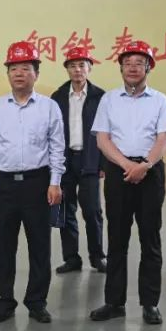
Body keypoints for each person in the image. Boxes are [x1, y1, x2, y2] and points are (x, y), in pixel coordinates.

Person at [89, 40, 166, 325]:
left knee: (150, 238)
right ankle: (114, 302)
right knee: (117, 239)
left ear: (149, 68)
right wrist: (127, 165)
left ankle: (150, 303)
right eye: (128, 63)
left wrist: (145, 165)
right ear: (121, 68)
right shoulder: (109, 100)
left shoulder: (160, 100)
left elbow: (163, 138)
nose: (133, 68)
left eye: (139, 63)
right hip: (119, 173)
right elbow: (103, 139)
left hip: (151, 173)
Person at [0, 41, 65, 324]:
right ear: (8, 74)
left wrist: (55, 182)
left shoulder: (49, 107)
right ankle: (5, 302)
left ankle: (37, 302)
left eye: (26, 68)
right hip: (4, 185)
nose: (19, 74)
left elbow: (57, 148)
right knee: (4, 246)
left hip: (38, 183)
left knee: (40, 246)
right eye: (14, 68)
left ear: (36, 74)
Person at [50, 46, 107, 274]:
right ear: (67, 69)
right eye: (72, 66)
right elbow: (51, 132)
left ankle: (97, 256)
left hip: (90, 159)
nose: (77, 70)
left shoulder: (100, 97)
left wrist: (103, 163)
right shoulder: (57, 97)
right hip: (64, 161)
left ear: (89, 68)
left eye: (82, 65)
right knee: (65, 210)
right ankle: (72, 258)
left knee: (92, 211)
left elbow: (107, 132)